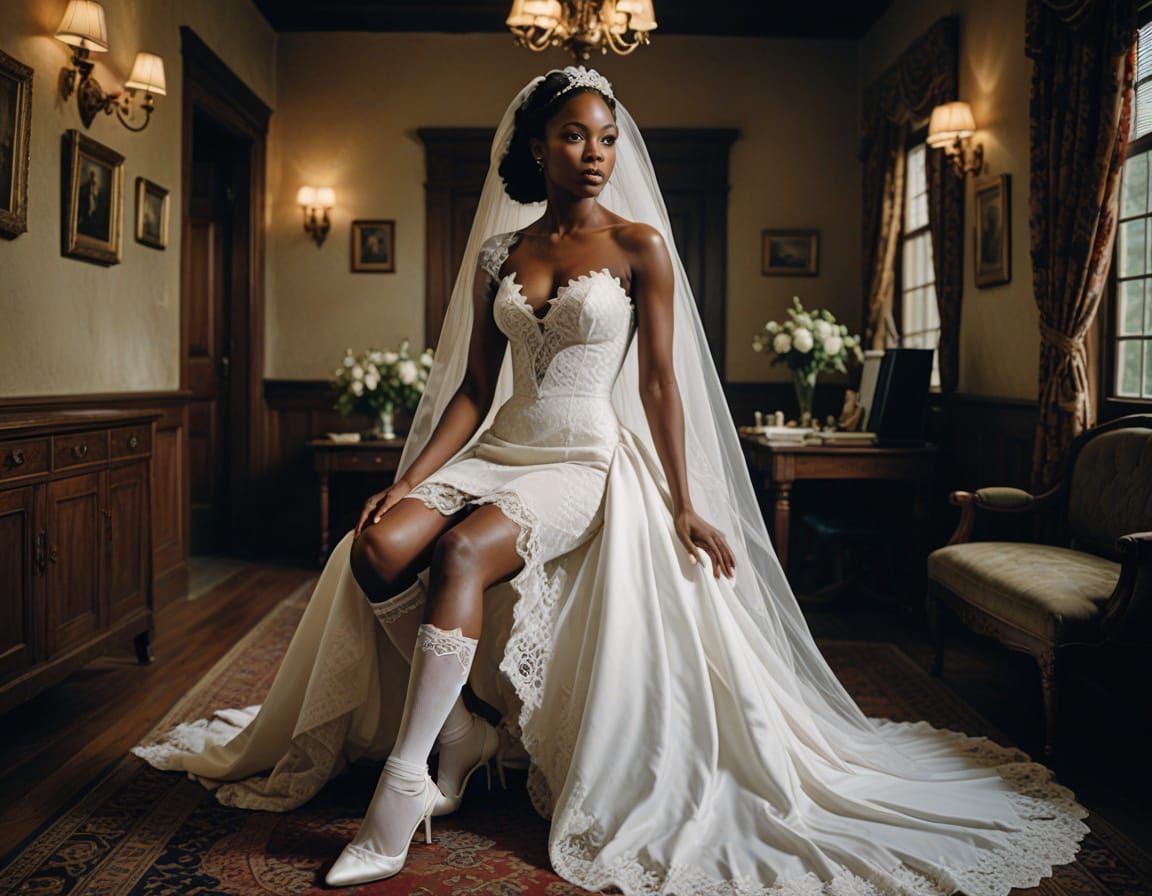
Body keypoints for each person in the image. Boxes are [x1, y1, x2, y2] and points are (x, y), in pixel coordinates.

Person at [135, 67, 1088, 895]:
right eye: (573, 137)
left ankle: (401, 795)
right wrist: (409, 478)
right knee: (373, 550)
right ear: (538, 149)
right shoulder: (500, 253)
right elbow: (473, 388)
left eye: (606, 138)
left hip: (583, 460)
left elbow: (663, 384)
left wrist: (684, 501)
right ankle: (466, 724)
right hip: (496, 444)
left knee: (465, 552)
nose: (595, 152)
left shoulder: (641, 247)